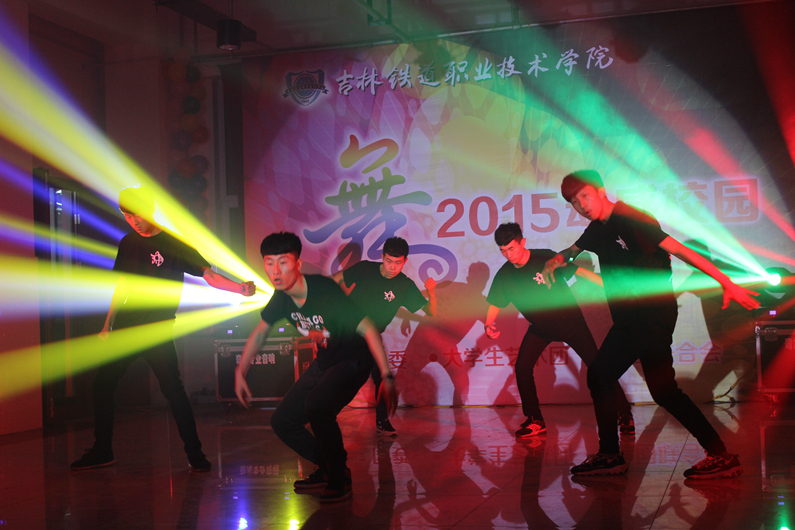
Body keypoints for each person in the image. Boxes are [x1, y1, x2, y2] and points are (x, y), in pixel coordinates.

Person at [542, 170, 759, 479]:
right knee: (637, 384)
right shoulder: (596, 229)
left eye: (585, 196)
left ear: (601, 190)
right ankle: (617, 455)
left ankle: (713, 455)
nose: (582, 205)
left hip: (650, 316)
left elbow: (681, 250)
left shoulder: (633, 218)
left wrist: (726, 282)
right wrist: (558, 259)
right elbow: (573, 251)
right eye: (574, 202)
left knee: (628, 381)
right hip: (629, 319)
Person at [71, 185, 256, 472]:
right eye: (127, 216)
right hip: (127, 328)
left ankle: (195, 453)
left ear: (151, 210)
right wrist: (108, 324)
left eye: (137, 215)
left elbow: (208, 275)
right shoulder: (128, 243)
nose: (133, 221)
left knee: (173, 391)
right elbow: (123, 285)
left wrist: (239, 288)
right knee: (102, 384)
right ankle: (102, 449)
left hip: (158, 329)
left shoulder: (173, 243)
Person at [235, 232, 397, 503]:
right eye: (269, 263)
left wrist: (387, 376)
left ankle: (339, 477)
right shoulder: (281, 297)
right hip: (327, 360)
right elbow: (261, 331)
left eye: (283, 262)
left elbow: (368, 329)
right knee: (282, 420)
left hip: (354, 358)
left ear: (298, 264)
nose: (275, 271)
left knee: (318, 405)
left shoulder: (323, 290)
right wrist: (240, 371)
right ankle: (328, 467)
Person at [484, 222, 633, 438]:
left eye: (511, 248)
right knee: (522, 368)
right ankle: (535, 420)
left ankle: (624, 413)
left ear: (522, 242)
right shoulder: (504, 274)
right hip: (540, 328)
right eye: (503, 251)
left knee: (599, 368)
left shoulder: (546, 257)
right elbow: (495, 303)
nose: (508, 255)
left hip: (571, 323)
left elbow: (580, 272)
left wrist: (612, 287)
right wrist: (489, 324)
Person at [331, 236, 437, 437]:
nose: (392, 267)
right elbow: (335, 279)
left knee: (383, 378)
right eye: (389, 261)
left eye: (398, 263)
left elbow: (430, 312)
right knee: (337, 377)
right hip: (347, 332)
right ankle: (321, 414)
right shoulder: (365, 269)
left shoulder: (404, 285)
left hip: (371, 338)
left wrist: (431, 293)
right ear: (382, 257)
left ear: (405, 261)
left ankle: (382, 421)